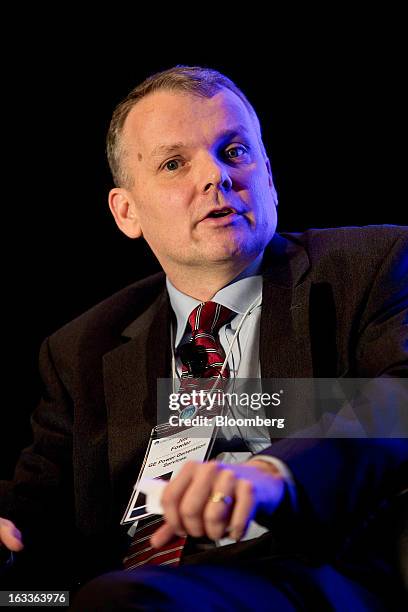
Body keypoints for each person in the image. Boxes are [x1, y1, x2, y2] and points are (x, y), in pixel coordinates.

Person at [0, 66, 407, 610]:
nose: (215, 177)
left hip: (306, 576)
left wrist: (274, 473)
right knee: (31, 602)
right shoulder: (82, 348)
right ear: (127, 212)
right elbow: (34, 505)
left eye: (234, 151)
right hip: (108, 587)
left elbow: (399, 401)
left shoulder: (371, 266)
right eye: (174, 164)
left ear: (269, 177)